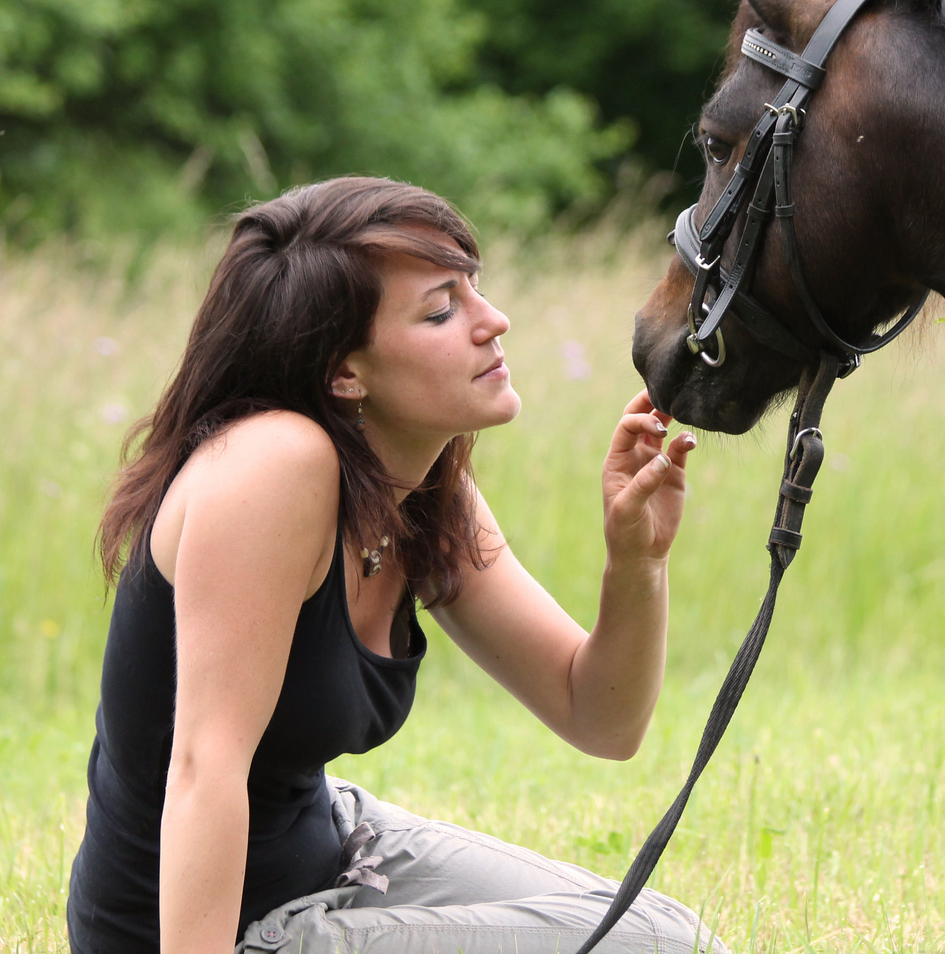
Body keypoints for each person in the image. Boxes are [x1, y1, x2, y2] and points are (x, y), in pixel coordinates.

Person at [67, 177, 718, 954]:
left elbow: (600, 718)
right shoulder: (271, 467)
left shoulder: (427, 487)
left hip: (332, 847)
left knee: (663, 934)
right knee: (648, 947)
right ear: (345, 372)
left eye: (474, 289)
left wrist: (635, 563)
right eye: (442, 309)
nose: (493, 321)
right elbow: (206, 768)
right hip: (212, 930)